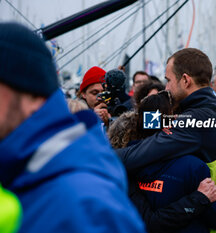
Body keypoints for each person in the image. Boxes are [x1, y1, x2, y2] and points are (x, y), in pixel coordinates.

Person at [0, 22, 145, 233]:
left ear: (32, 95)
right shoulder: (20, 173)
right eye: (93, 92)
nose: (99, 97)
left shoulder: (86, 205)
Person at [116, 48, 216, 233]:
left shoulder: (195, 119)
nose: (167, 88)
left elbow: (135, 156)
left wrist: (90, 154)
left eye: (169, 80)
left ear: (186, 80)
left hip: (207, 224)